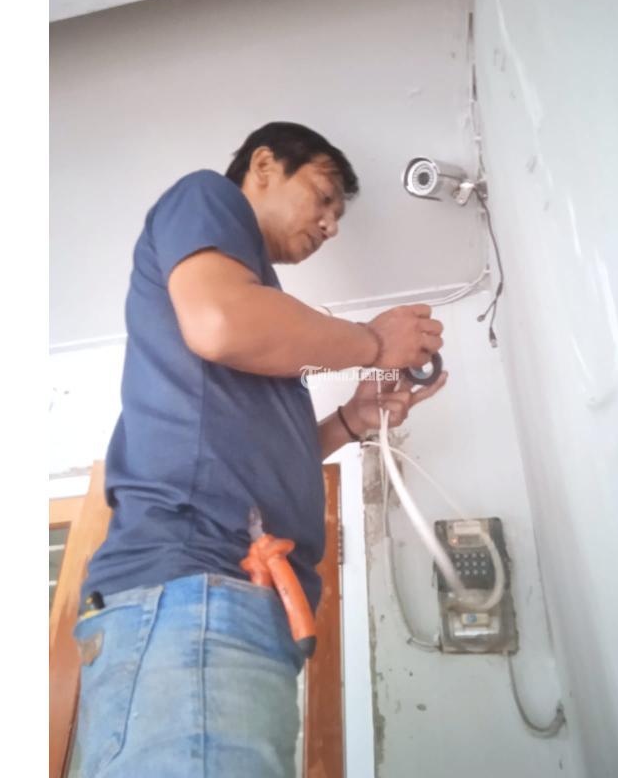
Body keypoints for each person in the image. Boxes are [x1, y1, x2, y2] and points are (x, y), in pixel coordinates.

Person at [72, 121, 448, 777]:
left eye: (338, 215)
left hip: (227, 606)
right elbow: (220, 323)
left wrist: (350, 421)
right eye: (324, 197)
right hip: (194, 590)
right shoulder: (206, 199)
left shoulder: (264, 312)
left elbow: (253, 452)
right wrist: (373, 341)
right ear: (265, 165)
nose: (331, 225)